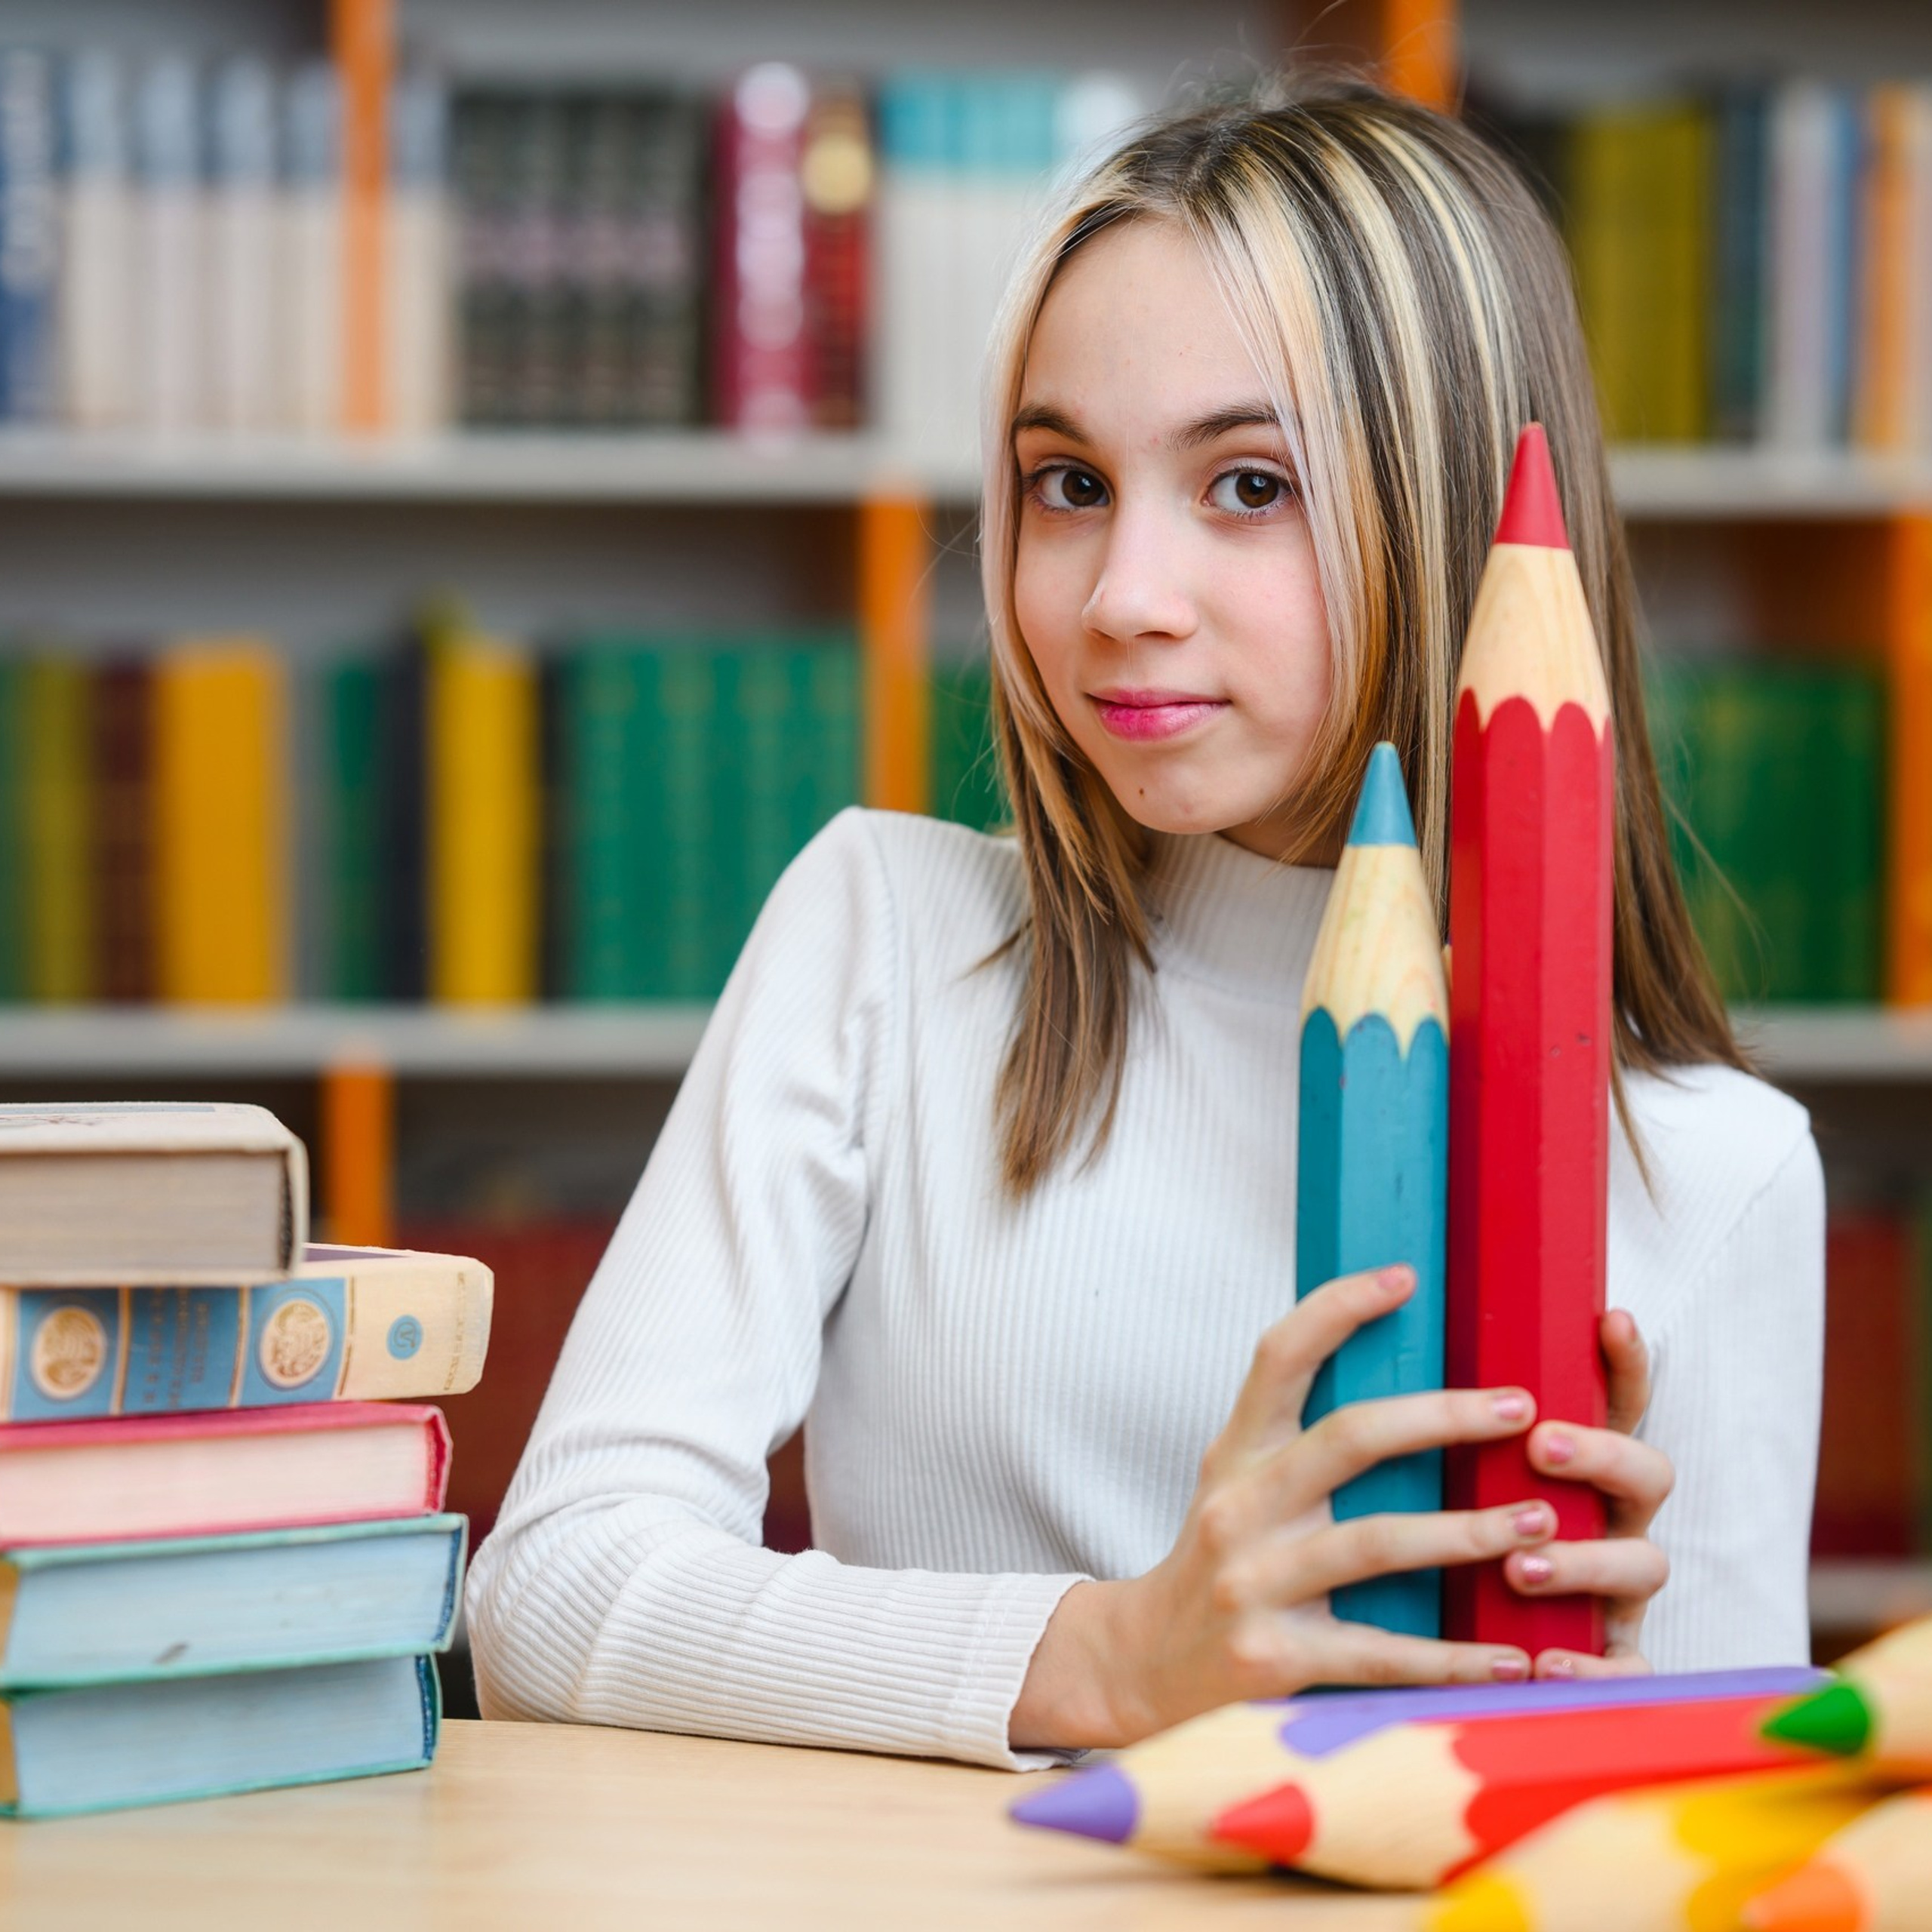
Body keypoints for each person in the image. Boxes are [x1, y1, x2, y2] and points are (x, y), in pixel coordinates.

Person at [466, 78, 1823, 1771]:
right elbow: (552, 1591)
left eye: (1248, 484)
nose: (1119, 598)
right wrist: (1112, 1654)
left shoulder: (1717, 1172)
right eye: (1066, 482)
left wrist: (1591, 1716)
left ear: (1451, 510)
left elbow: (1714, 1825)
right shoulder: (889, 939)